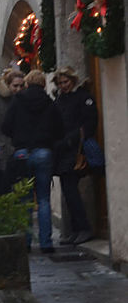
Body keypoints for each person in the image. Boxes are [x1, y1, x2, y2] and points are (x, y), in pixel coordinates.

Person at [1, 70, 64, 253]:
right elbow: (59, 130)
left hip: (22, 154)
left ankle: (26, 242)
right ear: (44, 84)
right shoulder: (49, 103)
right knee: (43, 199)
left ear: (27, 84)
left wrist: (19, 136)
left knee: (25, 200)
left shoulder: (18, 101)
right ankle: (46, 243)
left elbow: (5, 127)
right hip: (44, 152)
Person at [53, 67, 95, 246]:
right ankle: (76, 229)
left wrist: (72, 140)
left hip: (76, 150)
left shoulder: (83, 98)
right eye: (60, 83)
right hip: (63, 152)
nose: (63, 86)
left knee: (71, 191)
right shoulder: (60, 99)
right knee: (68, 192)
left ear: (73, 80)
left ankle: (83, 228)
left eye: (66, 82)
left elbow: (90, 123)